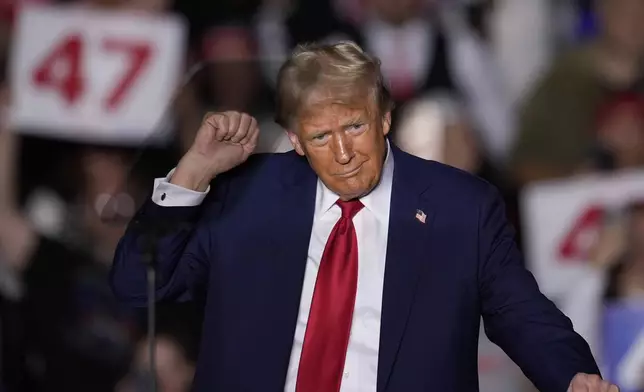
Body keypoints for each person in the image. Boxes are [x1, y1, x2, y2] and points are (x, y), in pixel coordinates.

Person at [110, 41, 615, 391]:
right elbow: (138, 285)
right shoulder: (246, 196)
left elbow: (522, 314)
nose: (344, 152)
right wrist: (192, 174)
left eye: (355, 125)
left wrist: (571, 377)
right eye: (321, 137)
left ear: (385, 118)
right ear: (295, 141)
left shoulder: (461, 208)